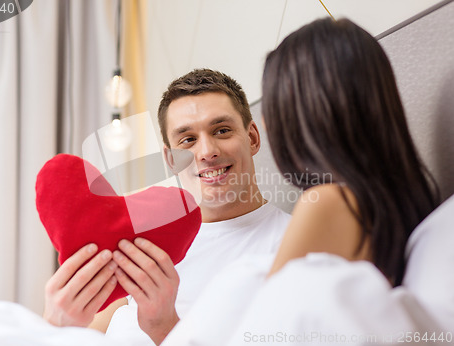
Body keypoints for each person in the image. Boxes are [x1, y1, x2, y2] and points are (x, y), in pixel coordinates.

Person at [161, 18, 442, 346]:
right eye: (188, 140)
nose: (206, 152)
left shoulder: (328, 204)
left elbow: (265, 327)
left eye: (275, 107)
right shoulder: (397, 201)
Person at [43, 69, 291, 345]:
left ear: (253, 138)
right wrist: (54, 322)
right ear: (171, 159)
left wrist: (164, 328)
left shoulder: (294, 244)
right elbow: (80, 332)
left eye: (222, 131)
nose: (207, 151)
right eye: (188, 139)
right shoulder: (144, 238)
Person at [260, 18, 439, 284]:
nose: (265, 122)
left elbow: (268, 321)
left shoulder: (328, 203)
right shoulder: (407, 195)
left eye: (271, 106)